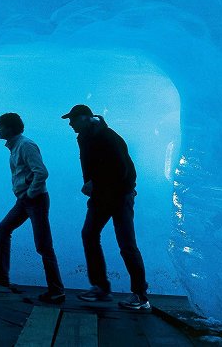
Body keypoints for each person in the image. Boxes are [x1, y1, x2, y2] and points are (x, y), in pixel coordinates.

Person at [61, 104, 150, 310]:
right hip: (103, 197)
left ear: (84, 118)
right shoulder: (85, 137)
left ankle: (140, 295)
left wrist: (95, 183)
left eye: (73, 120)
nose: (70, 124)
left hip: (119, 196)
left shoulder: (108, 137)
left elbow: (123, 170)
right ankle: (101, 287)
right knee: (91, 235)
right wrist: (93, 185)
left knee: (126, 244)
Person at [0, 113, 66, 304]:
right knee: (2, 230)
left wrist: (31, 193)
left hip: (35, 200)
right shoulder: (15, 146)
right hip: (25, 200)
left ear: (10, 128)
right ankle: (1, 274)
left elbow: (42, 172)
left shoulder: (25, 145)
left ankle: (57, 290)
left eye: (0, 126)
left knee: (43, 245)